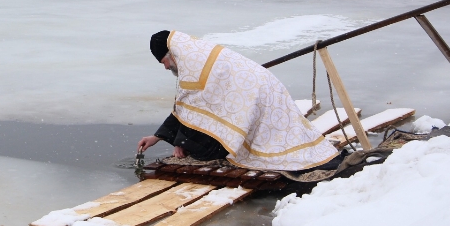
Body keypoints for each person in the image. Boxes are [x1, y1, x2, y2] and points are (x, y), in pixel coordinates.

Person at [137, 30, 340, 171]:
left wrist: (181, 141)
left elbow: (190, 106)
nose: (165, 68)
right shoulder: (198, 56)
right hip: (264, 91)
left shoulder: (195, 66)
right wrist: (161, 137)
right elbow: (189, 108)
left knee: (204, 151)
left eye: (164, 62)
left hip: (260, 99)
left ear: (171, 54)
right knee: (200, 139)